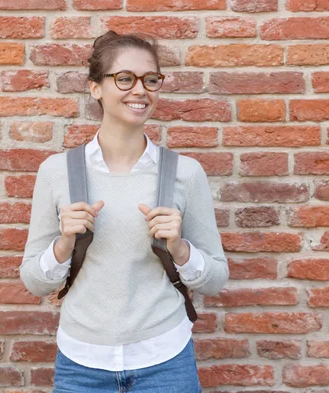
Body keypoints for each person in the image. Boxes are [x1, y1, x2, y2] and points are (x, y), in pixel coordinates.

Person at [20, 30, 229, 393]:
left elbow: (215, 279)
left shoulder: (185, 172)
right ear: (95, 87)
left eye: (150, 79)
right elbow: (34, 282)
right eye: (124, 78)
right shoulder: (57, 172)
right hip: (81, 366)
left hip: (166, 362)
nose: (140, 90)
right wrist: (64, 244)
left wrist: (180, 249)